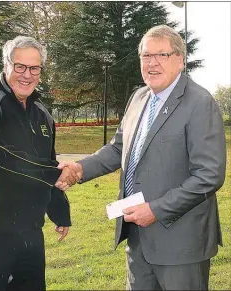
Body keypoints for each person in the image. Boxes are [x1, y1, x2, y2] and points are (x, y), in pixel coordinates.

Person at [55, 25, 226, 290]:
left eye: (162, 55)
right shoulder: (139, 97)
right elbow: (117, 149)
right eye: (146, 56)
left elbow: (209, 175)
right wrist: (79, 168)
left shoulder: (199, 103)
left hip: (180, 245)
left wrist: (156, 210)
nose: (152, 63)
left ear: (180, 60)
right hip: (137, 237)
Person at [0, 36, 75, 291]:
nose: (26, 75)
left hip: (30, 233)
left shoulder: (42, 113)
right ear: (6, 65)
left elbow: (48, 163)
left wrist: (59, 210)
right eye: (19, 66)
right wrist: (51, 174)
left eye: (34, 68)